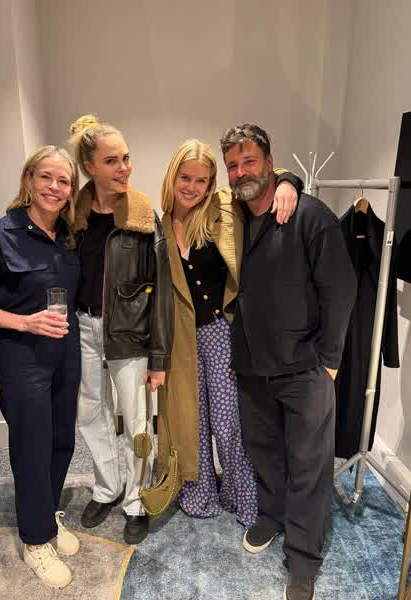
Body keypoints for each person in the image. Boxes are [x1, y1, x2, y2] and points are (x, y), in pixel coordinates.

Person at [219, 124, 357, 600]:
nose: (241, 172)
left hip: (304, 369)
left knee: (309, 466)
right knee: (264, 451)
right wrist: (289, 179)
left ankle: (303, 559)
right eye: (233, 165)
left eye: (249, 161)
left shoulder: (310, 217)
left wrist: (330, 361)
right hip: (251, 365)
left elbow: (341, 290)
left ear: (269, 161)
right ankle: (272, 515)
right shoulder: (232, 217)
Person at [158, 139, 302, 527]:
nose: (192, 187)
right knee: (192, 422)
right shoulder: (161, 224)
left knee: (228, 423)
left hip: (220, 333)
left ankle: (242, 496)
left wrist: (289, 181)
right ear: (172, 176)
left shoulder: (224, 207)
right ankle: (199, 494)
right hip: (181, 339)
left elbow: (262, 181)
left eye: (202, 180)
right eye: (185, 178)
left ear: (211, 183)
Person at [0, 146, 81, 589]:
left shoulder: (68, 237)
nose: (54, 187)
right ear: (28, 180)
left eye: (64, 181)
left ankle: (47, 515)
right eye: (46, 177)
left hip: (65, 353)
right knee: (31, 447)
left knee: (61, 440)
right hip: (22, 356)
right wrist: (24, 321)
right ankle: (35, 540)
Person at [69, 115, 173, 545]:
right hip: (82, 328)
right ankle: (106, 488)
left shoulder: (144, 216)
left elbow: (162, 290)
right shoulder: (72, 215)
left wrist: (159, 356)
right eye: (112, 160)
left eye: (126, 158)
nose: (124, 167)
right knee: (91, 414)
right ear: (89, 167)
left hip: (131, 334)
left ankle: (135, 501)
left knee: (136, 422)